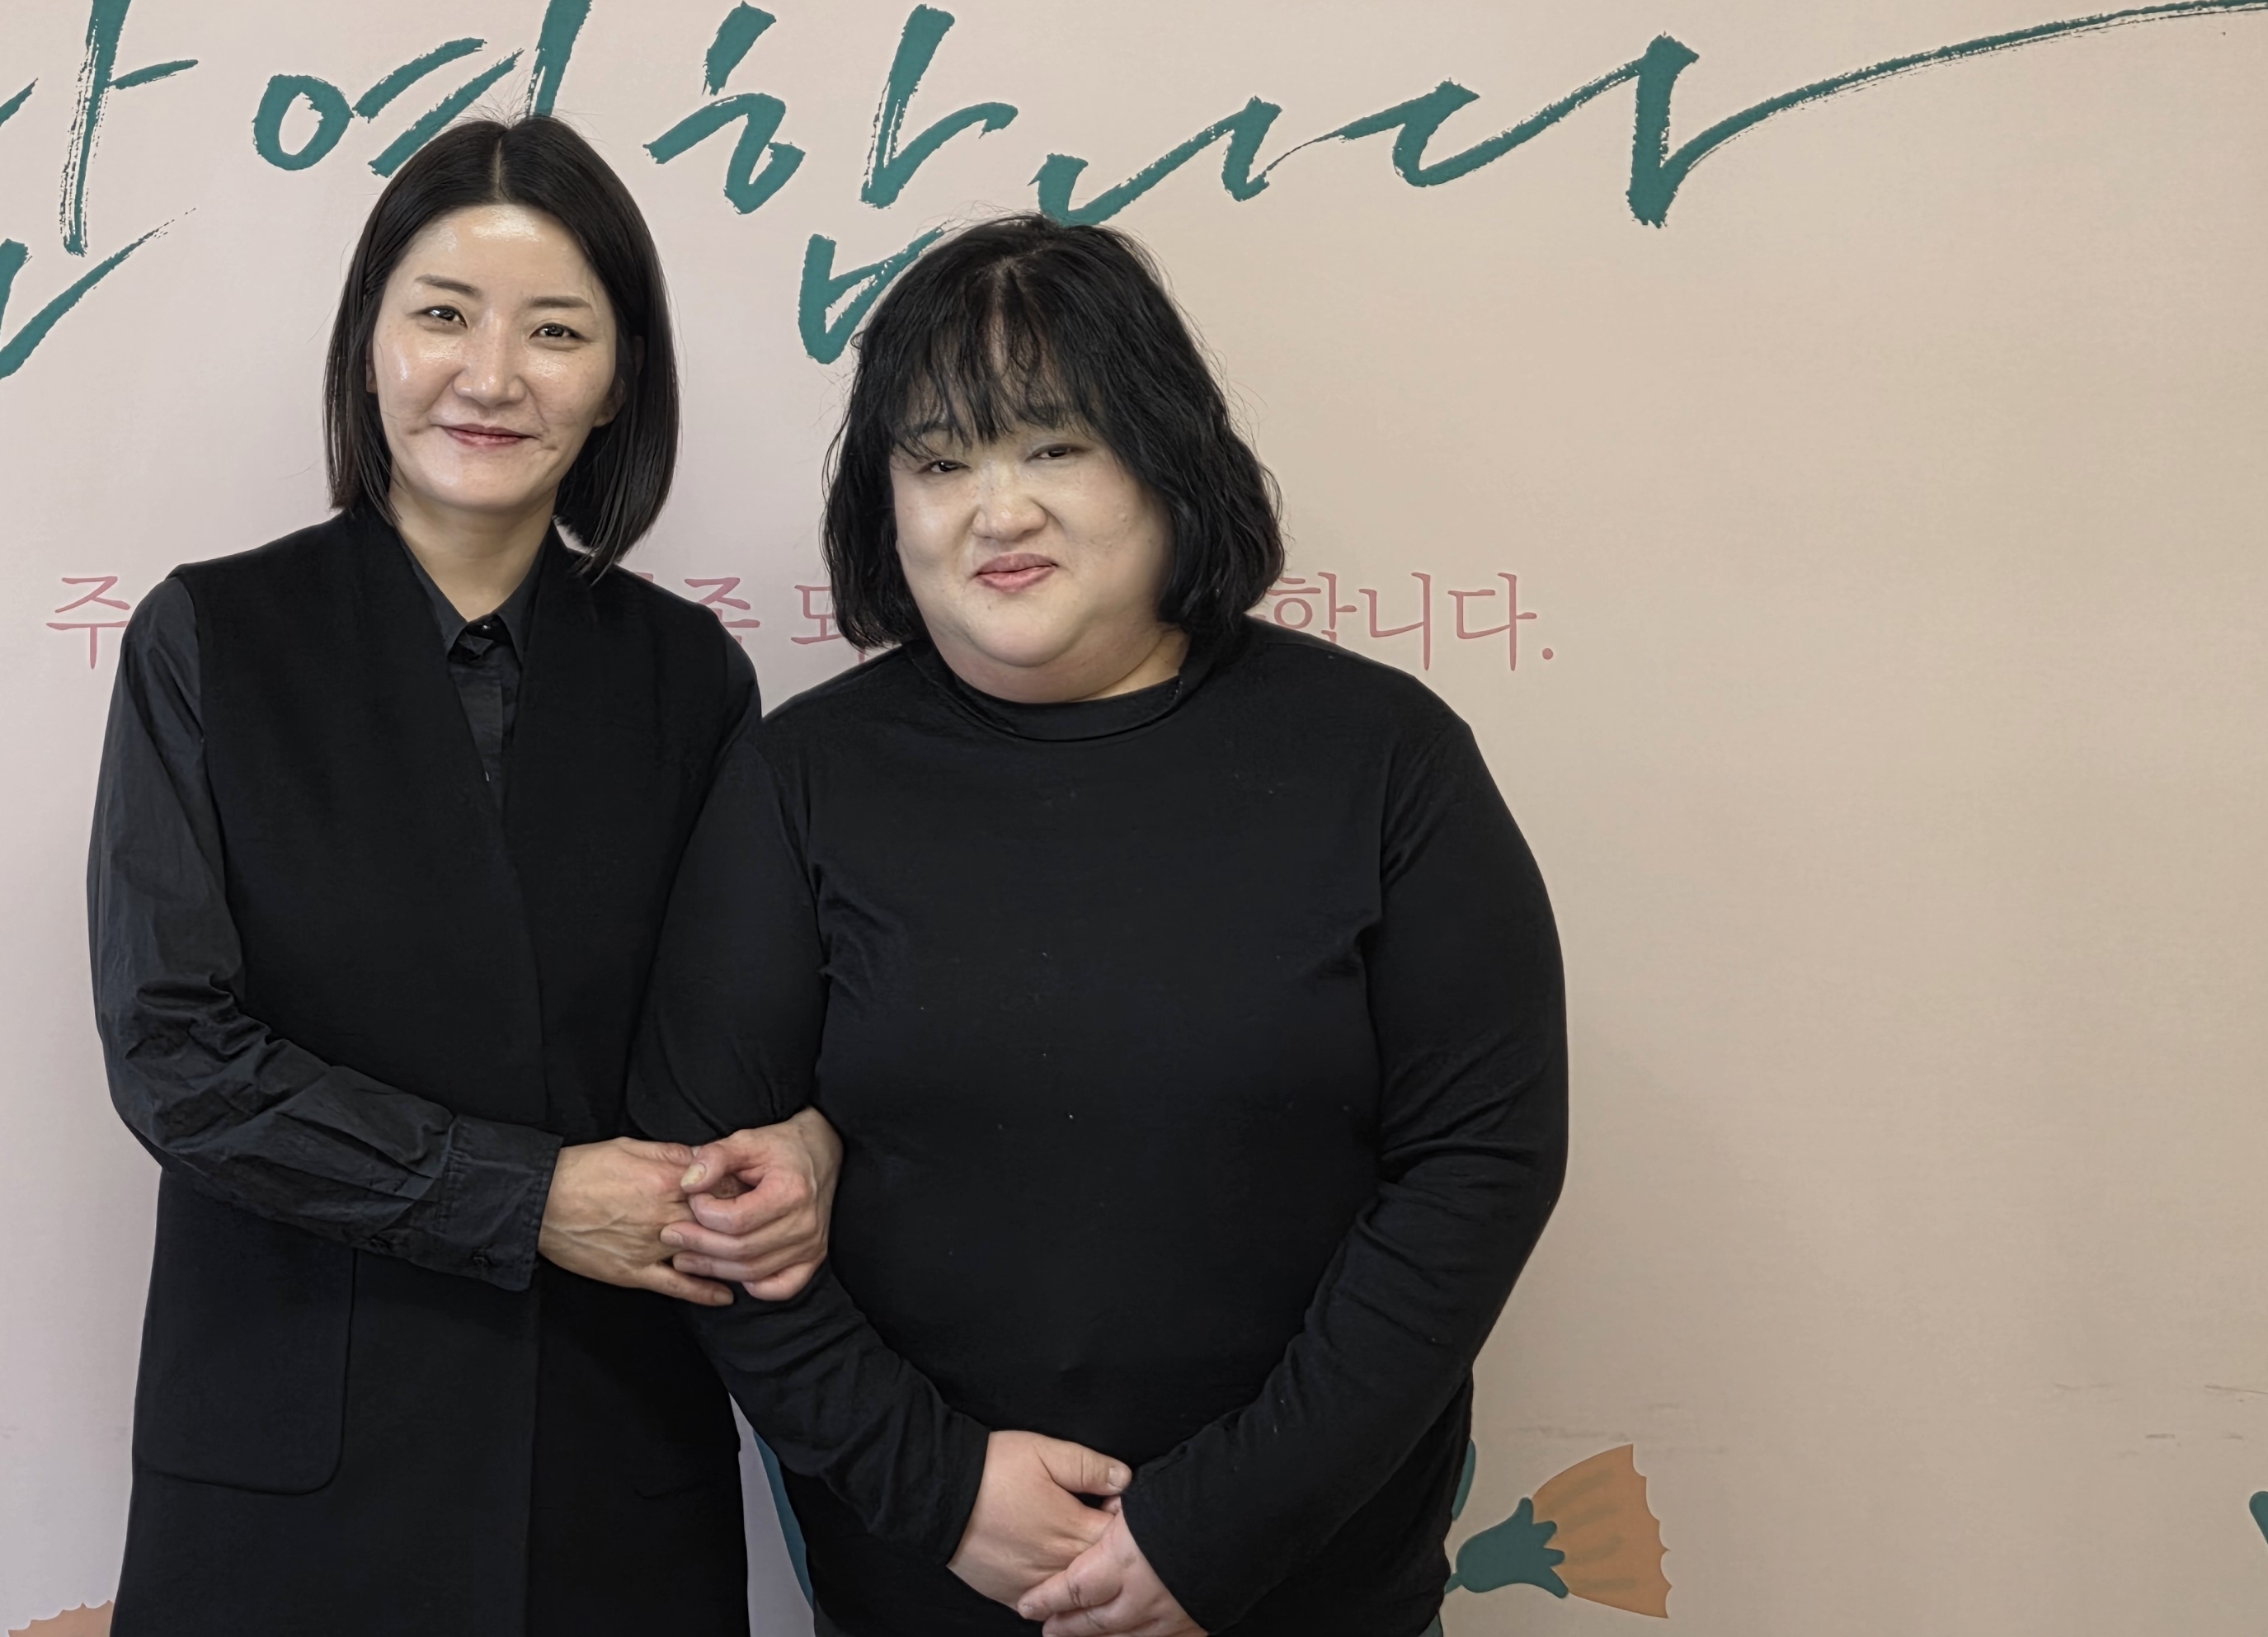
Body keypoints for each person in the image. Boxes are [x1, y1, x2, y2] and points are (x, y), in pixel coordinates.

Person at [633, 214, 1569, 1637]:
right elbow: (705, 1189)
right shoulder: (798, 780)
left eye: (1054, 445)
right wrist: (941, 1489)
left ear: (1165, 458)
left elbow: (1478, 1166)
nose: (997, 510)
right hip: (929, 1589)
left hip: (1309, 1586)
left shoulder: (1383, 758)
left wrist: (1221, 1525)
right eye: (940, 462)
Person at [87, 115, 840, 1637]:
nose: (491, 376)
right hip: (290, 1468)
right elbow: (177, 1057)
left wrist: (808, 1146)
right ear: (369, 342)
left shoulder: (689, 677)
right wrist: (526, 1196)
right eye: (443, 314)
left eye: (555, 330)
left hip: (610, 1459)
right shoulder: (212, 639)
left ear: (620, 377)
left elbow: (749, 1046)